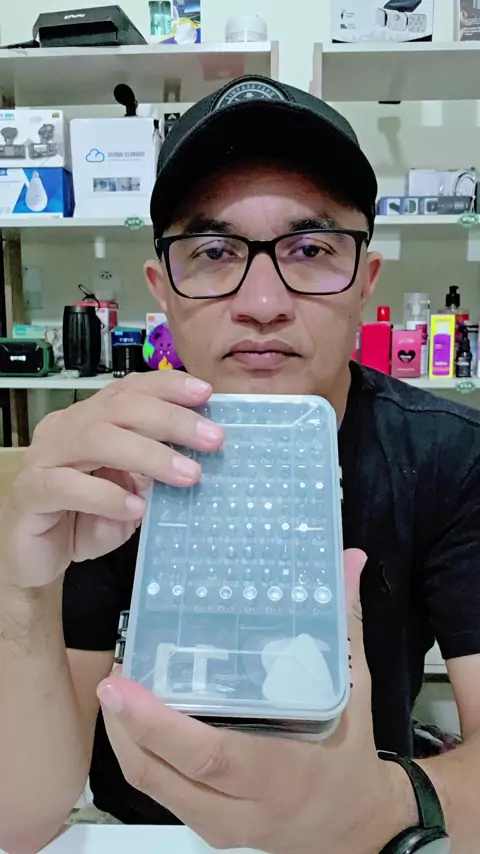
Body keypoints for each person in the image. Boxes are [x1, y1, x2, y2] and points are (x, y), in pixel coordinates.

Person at [1, 73, 480, 854]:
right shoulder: (108, 465)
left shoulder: (451, 457)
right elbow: (19, 819)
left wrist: (374, 807)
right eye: (215, 252)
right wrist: (20, 592)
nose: (262, 303)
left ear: (365, 281)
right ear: (163, 288)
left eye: (311, 249)